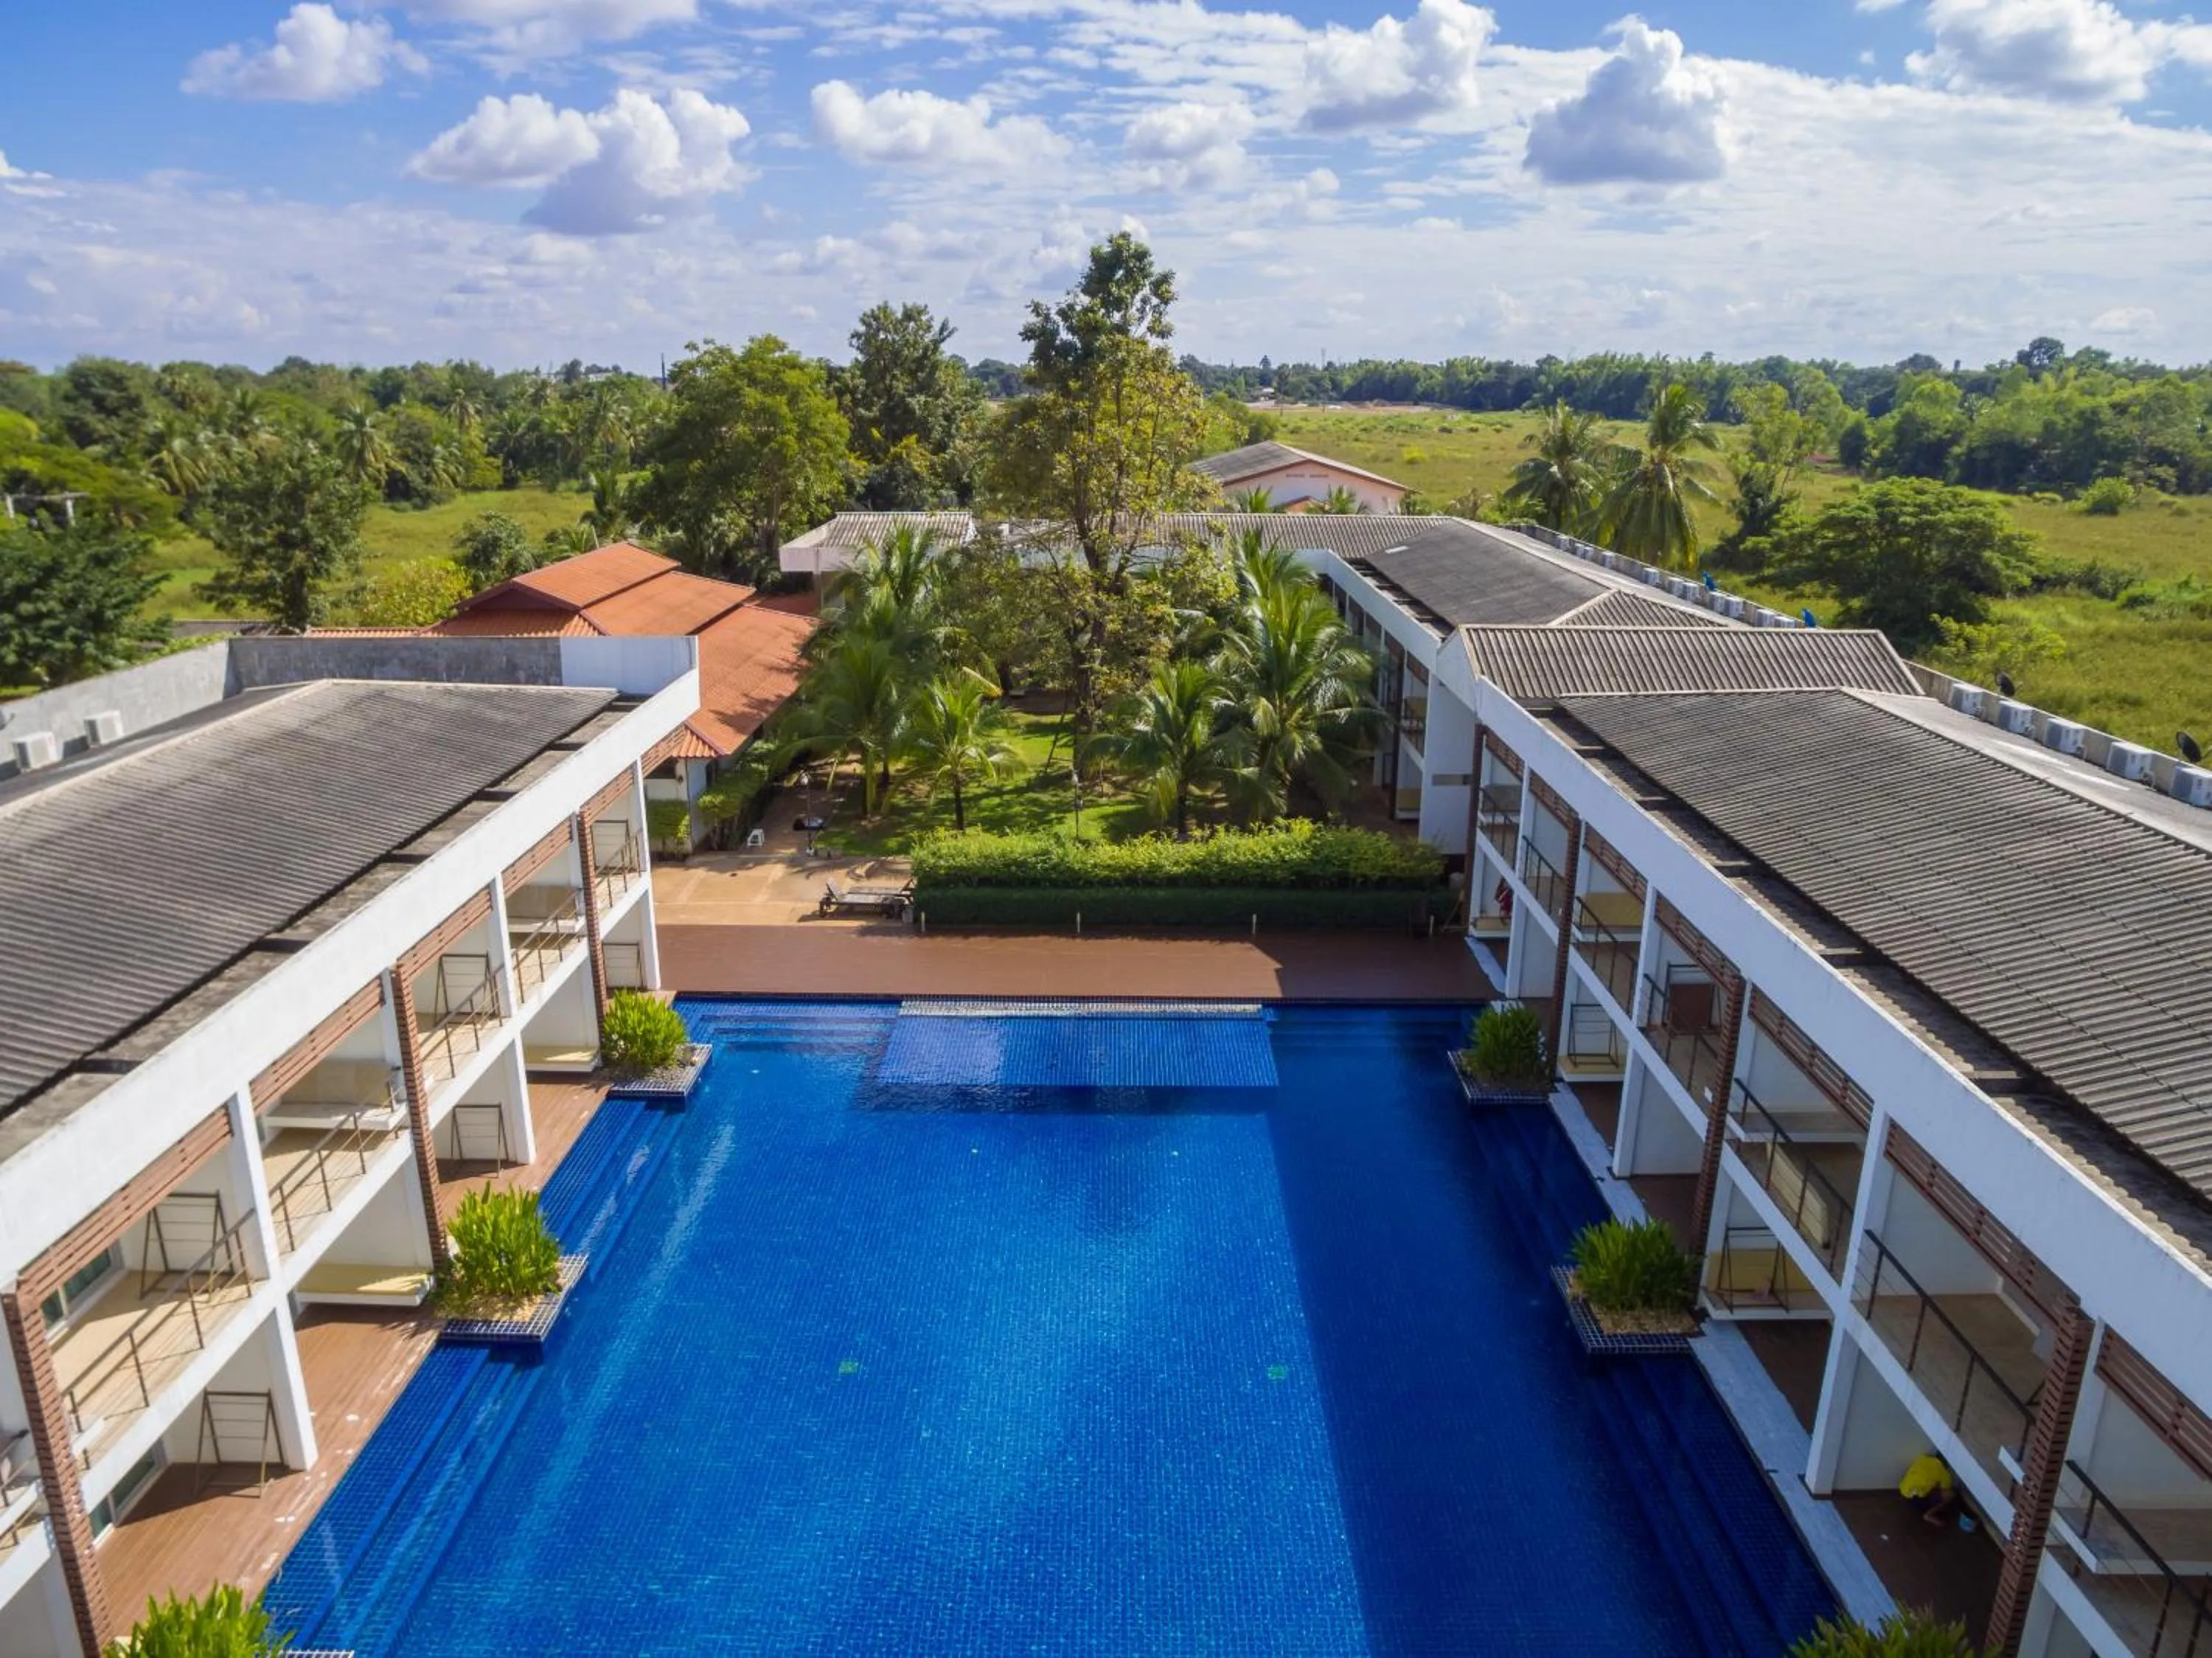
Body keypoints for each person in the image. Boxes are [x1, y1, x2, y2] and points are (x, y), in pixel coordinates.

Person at [1900, 1452, 1959, 1527]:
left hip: (1904, 1492)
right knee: (1951, 1494)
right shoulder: (1943, 1471)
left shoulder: (1923, 1458)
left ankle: (1929, 1503)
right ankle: (1928, 1515)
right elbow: (1947, 1489)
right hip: (1915, 1500)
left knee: (1929, 1485)